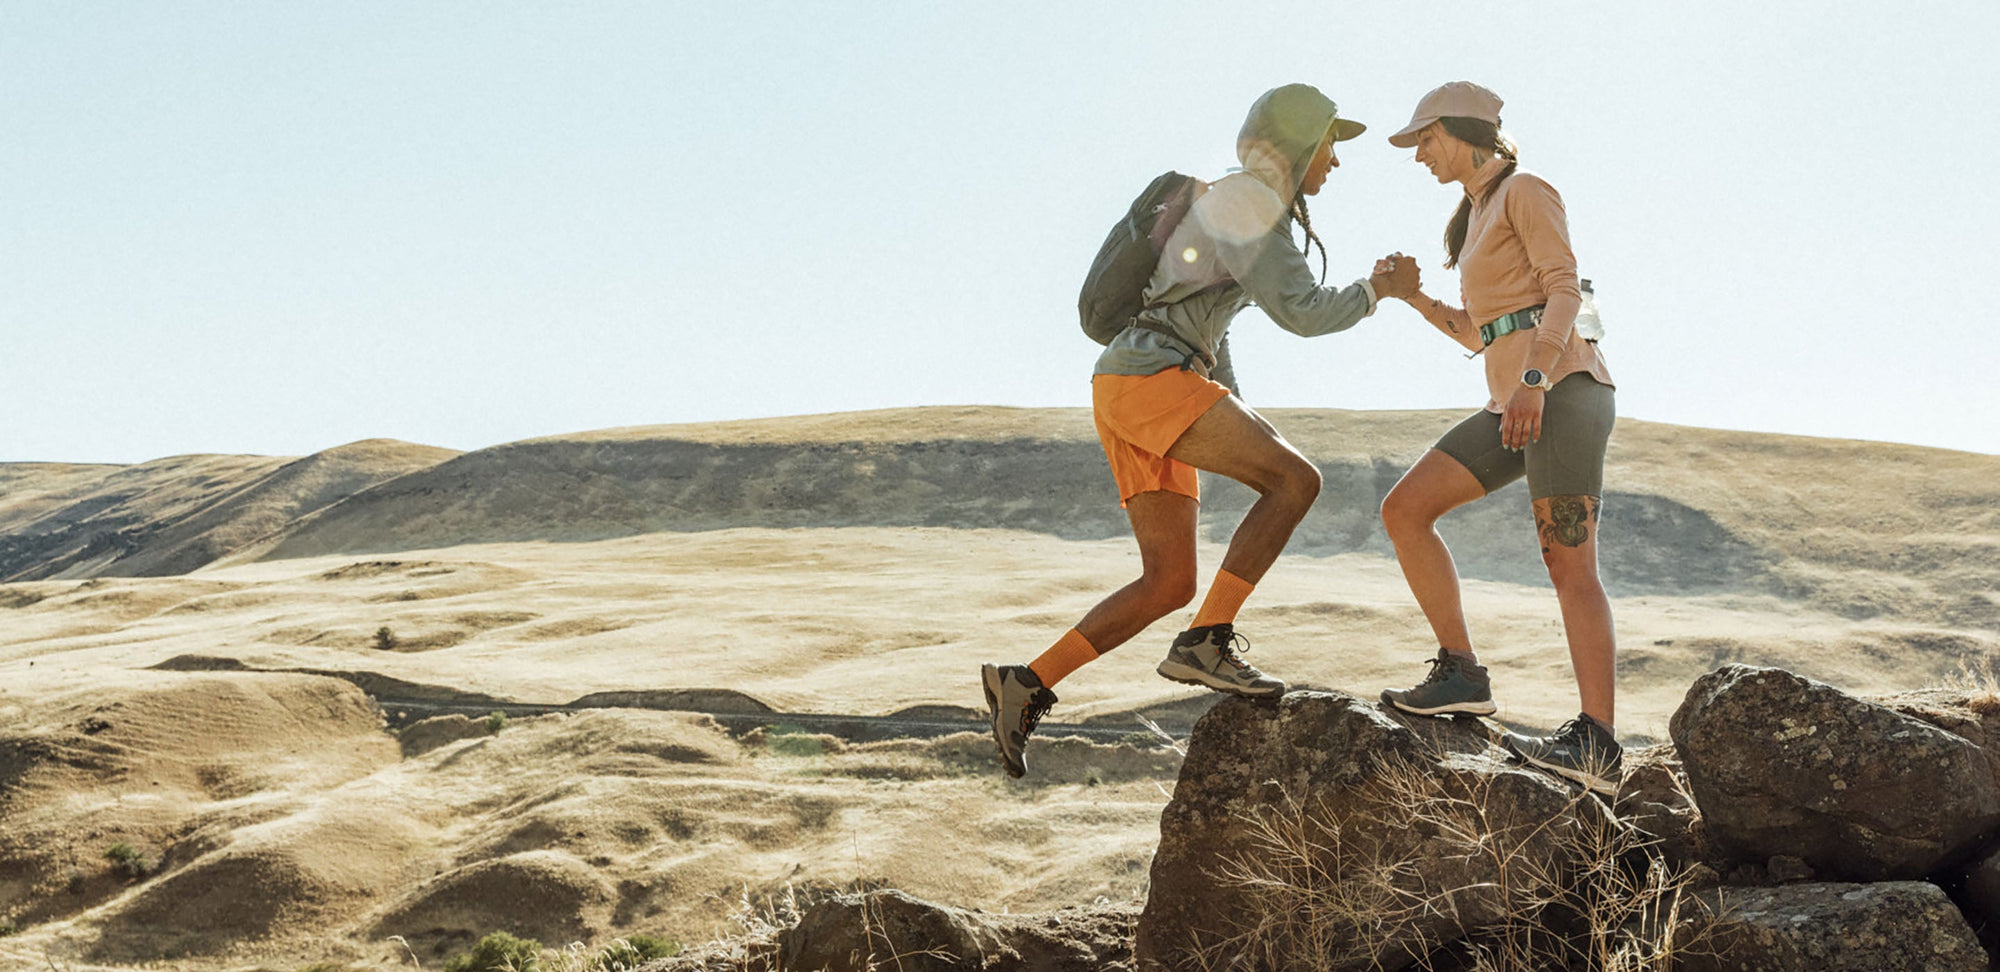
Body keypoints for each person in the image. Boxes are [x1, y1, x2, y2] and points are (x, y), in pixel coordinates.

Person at [981, 83, 1421, 778]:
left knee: (1169, 581)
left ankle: (1026, 683)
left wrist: (1239, 412)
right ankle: (1206, 643)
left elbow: (1210, 328)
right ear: (1300, 144)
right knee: (1297, 482)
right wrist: (1378, 290)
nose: (1335, 162)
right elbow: (1304, 312)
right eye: (1331, 145)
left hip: (1130, 382)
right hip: (1152, 381)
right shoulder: (1248, 200)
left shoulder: (1233, 203)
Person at [1371, 81, 1623, 795]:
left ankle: (1598, 745)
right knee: (1405, 508)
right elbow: (1482, 332)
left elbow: (1565, 289)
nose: (1418, 154)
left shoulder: (1525, 190)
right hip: (1512, 402)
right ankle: (1461, 673)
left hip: (1562, 393)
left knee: (1567, 563)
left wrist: (1537, 380)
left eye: (1424, 139)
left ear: (1459, 131)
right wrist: (1412, 298)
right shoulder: (1475, 215)